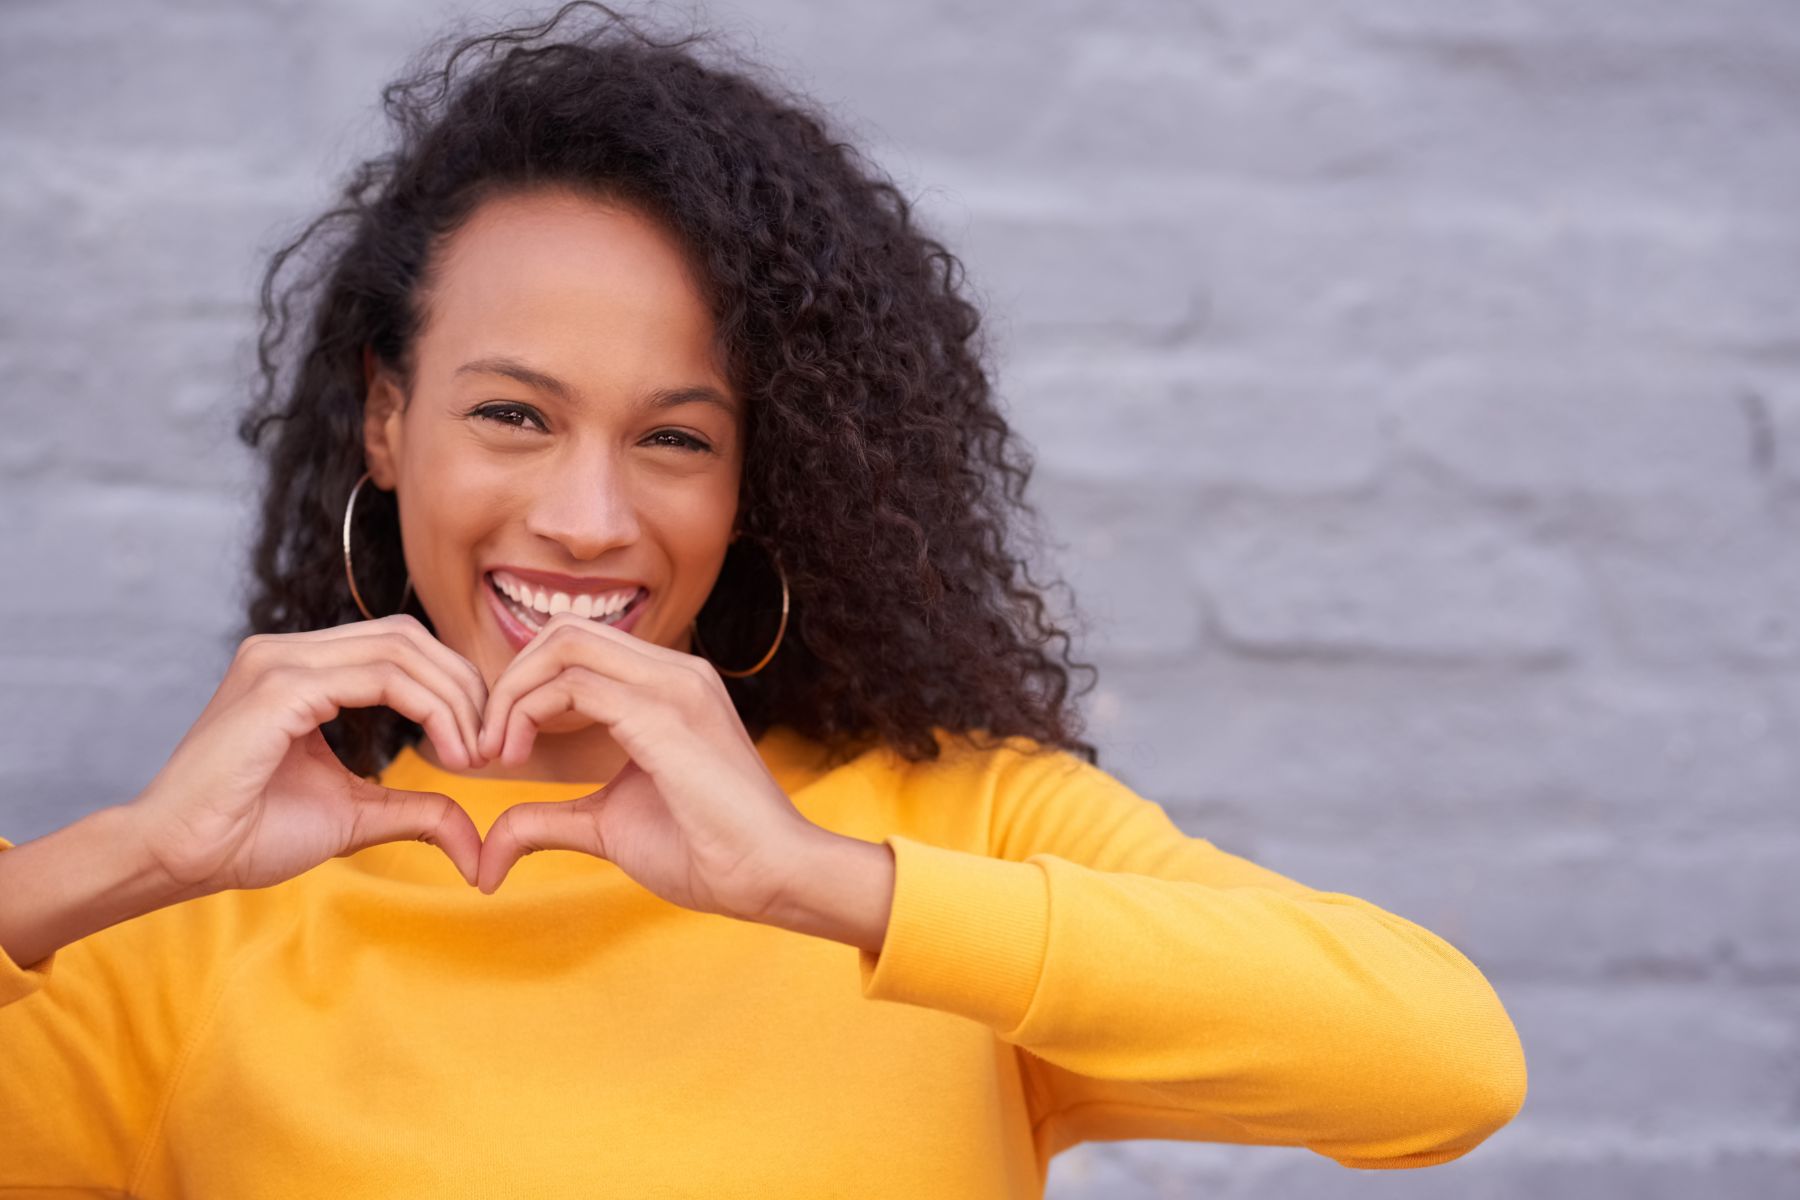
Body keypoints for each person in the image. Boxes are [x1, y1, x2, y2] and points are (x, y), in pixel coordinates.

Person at [0, 3, 1527, 1193]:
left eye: (676, 438)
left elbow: (1445, 1066)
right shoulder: (182, 930)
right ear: (387, 419)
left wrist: (809, 882)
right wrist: (108, 865)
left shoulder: (953, 836)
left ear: (755, 484)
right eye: (514, 415)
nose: (588, 520)